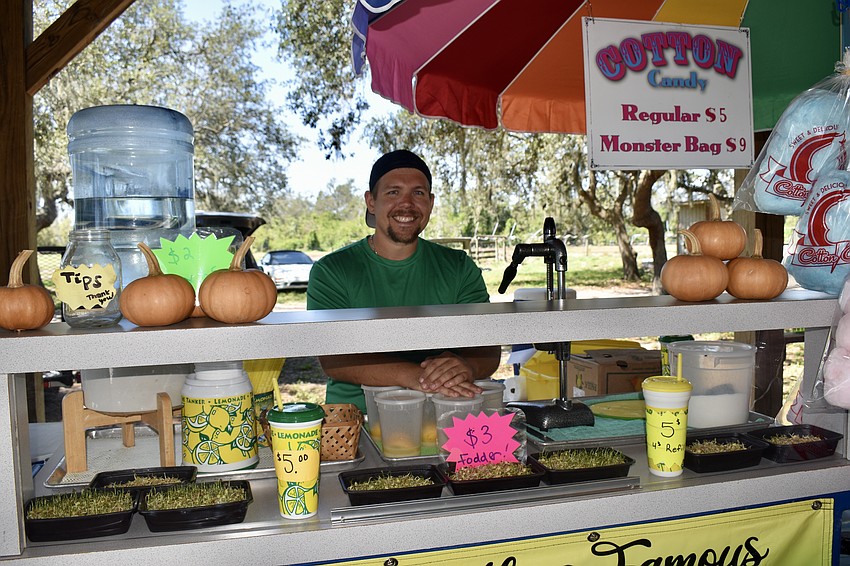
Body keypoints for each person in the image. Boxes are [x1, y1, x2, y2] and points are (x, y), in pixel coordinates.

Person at [307, 149, 502, 414]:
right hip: (356, 422)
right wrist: (419, 378)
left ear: (430, 203)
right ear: (371, 202)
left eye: (418, 193)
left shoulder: (458, 266)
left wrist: (467, 366)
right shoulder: (332, 271)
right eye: (393, 192)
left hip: (445, 415)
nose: (407, 204)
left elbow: (487, 348)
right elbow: (335, 360)